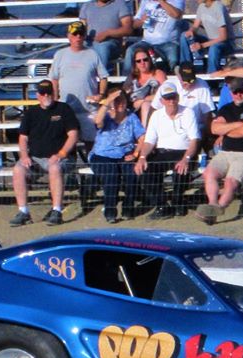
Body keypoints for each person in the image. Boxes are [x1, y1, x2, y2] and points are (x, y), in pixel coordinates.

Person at [9, 80, 80, 227]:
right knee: (18, 169)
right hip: (35, 158)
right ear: (37, 95)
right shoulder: (31, 113)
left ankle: (57, 210)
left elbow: (73, 135)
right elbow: (23, 137)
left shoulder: (64, 109)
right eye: (42, 93)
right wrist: (24, 155)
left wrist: (61, 153)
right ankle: (23, 211)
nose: (46, 95)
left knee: (54, 168)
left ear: (54, 94)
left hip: (61, 157)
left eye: (49, 93)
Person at [198, 77, 243, 224]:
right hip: (225, 152)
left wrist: (227, 129)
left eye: (241, 91)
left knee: (231, 183)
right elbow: (215, 129)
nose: (238, 94)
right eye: (235, 92)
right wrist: (238, 124)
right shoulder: (226, 108)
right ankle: (213, 205)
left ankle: (217, 210)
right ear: (231, 93)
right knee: (209, 174)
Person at [133, 82, 201, 219]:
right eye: (168, 98)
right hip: (162, 152)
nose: (171, 101)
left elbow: (194, 140)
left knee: (181, 169)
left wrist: (185, 159)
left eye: (173, 97)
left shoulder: (188, 113)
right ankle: (162, 205)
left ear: (178, 97)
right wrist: (142, 157)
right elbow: (149, 141)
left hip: (183, 152)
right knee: (145, 170)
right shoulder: (156, 116)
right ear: (161, 100)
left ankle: (177, 202)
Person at [89, 89, 145, 223]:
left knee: (131, 174)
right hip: (102, 154)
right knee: (111, 175)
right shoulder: (106, 116)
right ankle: (110, 211)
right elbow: (98, 122)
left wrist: (136, 153)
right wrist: (108, 101)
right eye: (117, 101)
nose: (120, 104)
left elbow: (142, 138)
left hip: (126, 153)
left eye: (122, 100)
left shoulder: (132, 118)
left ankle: (128, 209)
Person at [51, 21, 108, 146]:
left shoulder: (92, 54)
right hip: (66, 109)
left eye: (81, 34)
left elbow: (103, 77)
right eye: (75, 34)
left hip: (88, 109)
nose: (78, 37)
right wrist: (55, 102)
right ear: (69, 36)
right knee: (66, 144)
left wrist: (101, 94)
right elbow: (54, 79)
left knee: (91, 143)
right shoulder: (60, 55)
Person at [123, 0, 185, 74]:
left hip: (169, 42)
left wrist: (162, 2)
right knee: (131, 51)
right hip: (147, 42)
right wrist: (141, 21)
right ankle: (127, 81)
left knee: (173, 60)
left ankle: (173, 81)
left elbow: (177, 15)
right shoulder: (145, 1)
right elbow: (134, 24)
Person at [181, 0, 235, 72]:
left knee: (214, 47)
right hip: (211, 40)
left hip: (226, 43)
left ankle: (212, 77)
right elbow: (195, 26)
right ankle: (186, 69)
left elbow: (223, 37)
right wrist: (191, 31)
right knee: (184, 36)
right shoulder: (201, 7)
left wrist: (202, 45)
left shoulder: (218, 7)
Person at [79, 0, 133, 69]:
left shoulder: (119, 4)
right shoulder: (87, 6)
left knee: (102, 47)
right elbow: (82, 26)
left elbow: (128, 29)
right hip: (90, 42)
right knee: (75, 48)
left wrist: (107, 33)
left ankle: (100, 77)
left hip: (111, 44)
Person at [123, 46, 167, 124]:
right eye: (138, 61)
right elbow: (124, 96)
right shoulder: (131, 77)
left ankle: (146, 134)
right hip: (133, 110)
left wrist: (144, 100)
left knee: (145, 105)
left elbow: (165, 94)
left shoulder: (158, 74)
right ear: (135, 64)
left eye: (145, 60)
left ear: (150, 60)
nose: (142, 63)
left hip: (154, 109)